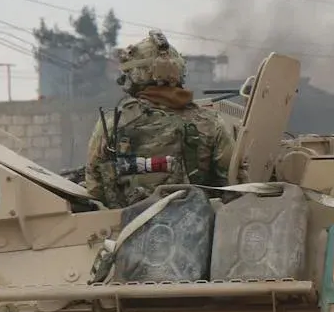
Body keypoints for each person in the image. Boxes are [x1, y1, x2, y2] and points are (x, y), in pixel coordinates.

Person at [85, 31, 237, 208]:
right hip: (196, 228)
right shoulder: (210, 123)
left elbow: (95, 188)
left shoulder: (113, 124)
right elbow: (233, 186)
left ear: (136, 75)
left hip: (126, 229)